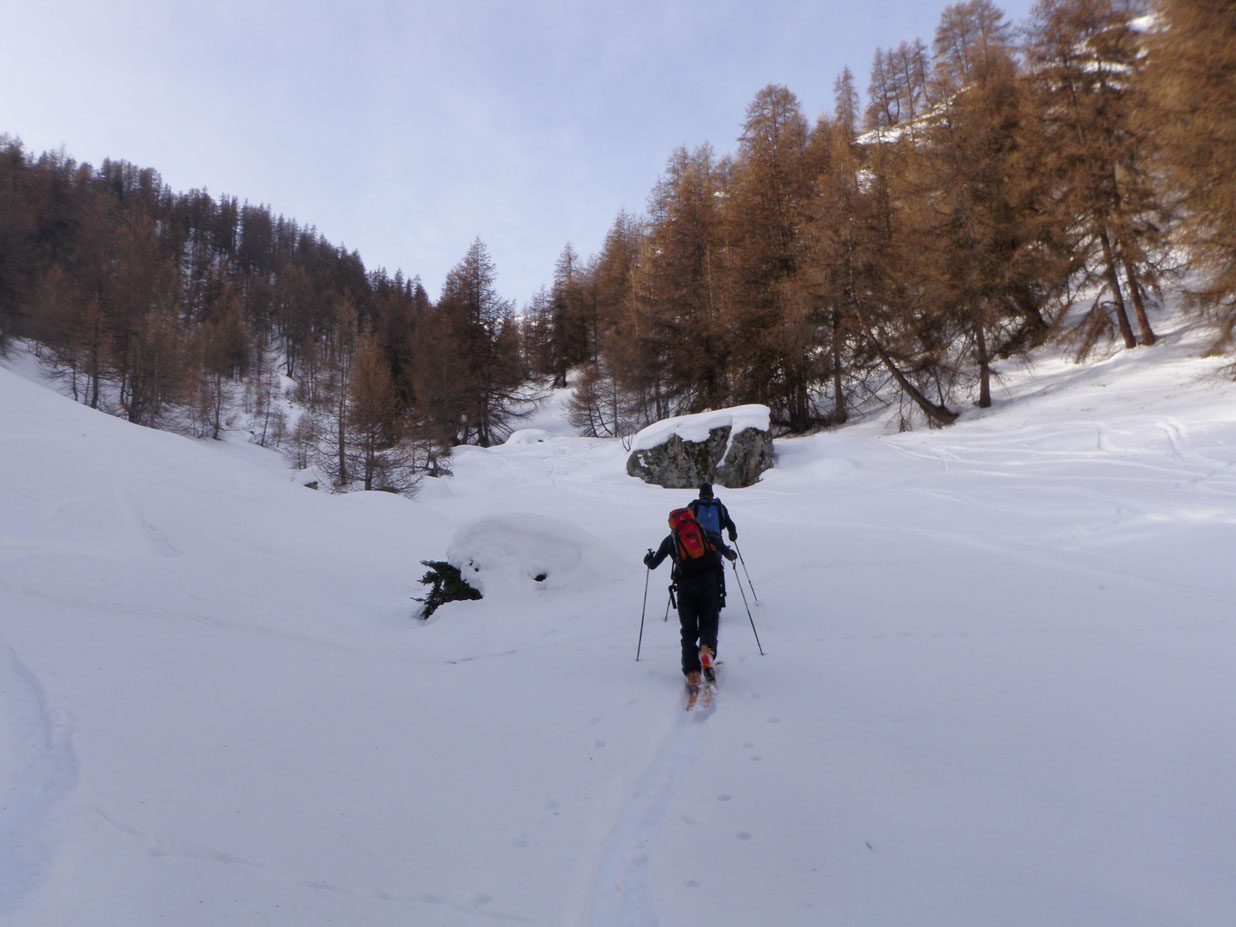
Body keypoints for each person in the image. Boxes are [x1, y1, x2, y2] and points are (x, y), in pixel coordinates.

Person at [643, 508, 737, 694]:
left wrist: (648, 559)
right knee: (709, 622)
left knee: (688, 629)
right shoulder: (705, 533)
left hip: (685, 587)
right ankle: (706, 651)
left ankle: (691, 670)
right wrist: (731, 555)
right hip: (709, 584)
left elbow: (653, 564)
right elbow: (726, 552)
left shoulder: (671, 540)